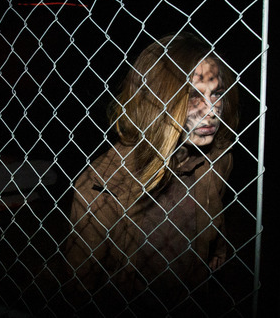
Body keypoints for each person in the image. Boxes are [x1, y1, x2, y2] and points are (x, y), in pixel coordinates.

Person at [64, 31, 239, 317]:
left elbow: (217, 207)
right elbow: (79, 287)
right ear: (158, 100)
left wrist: (218, 248)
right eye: (194, 95)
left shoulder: (219, 159)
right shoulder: (101, 184)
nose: (212, 111)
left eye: (216, 93)